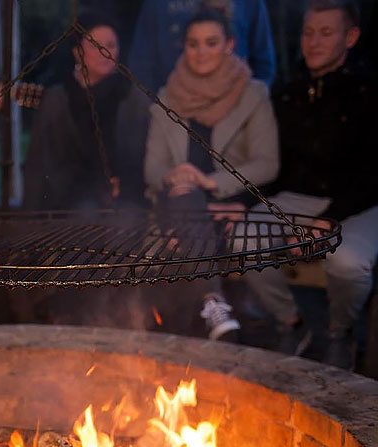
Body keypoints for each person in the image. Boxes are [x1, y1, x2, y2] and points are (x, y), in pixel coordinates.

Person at [231, 0, 377, 367]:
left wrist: (327, 221)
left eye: (326, 33)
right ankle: (291, 322)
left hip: (360, 202)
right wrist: (244, 203)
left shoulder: (368, 92)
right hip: (297, 199)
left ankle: (339, 331)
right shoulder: (288, 92)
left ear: (351, 36)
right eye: (308, 33)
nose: (313, 42)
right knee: (243, 239)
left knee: (347, 261)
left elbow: (372, 174)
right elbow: (276, 168)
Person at [143, 1, 280, 342]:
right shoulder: (166, 97)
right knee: (183, 193)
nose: (201, 52)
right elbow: (153, 167)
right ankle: (212, 299)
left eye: (212, 42)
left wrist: (210, 182)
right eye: (193, 44)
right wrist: (176, 177)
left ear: (229, 45)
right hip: (178, 204)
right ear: (184, 48)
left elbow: (267, 163)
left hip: (229, 202)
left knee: (185, 214)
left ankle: (203, 318)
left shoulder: (252, 94)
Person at [24, 11, 148, 211]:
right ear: (77, 51)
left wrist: (121, 185)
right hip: (68, 201)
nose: (105, 53)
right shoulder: (58, 99)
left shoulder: (133, 99)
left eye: (111, 45)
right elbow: (38, 164)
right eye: (95, 46)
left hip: (126, 200)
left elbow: (142, 159)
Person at [129, 0, 276, 92]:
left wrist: (250, 105)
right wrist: (160, 105)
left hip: (236, 110)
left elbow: (263, 62)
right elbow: (141, 61)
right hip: (174, 108)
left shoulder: (250, 3)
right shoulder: (157, 4)